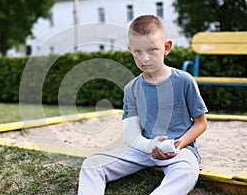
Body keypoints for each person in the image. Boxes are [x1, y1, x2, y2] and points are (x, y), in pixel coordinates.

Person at [78, 15, 208, 195]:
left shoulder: (184, 81)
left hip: (180, 151)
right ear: (130, 50)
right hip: (143, 149)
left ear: (167, 47)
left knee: (187, 171)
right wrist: (149, 146)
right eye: (137, 52)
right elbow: (131, 133)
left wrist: (179, 144)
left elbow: (201, 123)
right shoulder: (131, 89)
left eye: (152, 50)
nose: (144, 58)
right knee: (92, 164)